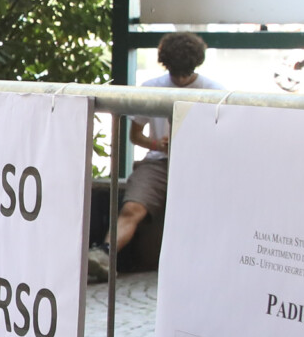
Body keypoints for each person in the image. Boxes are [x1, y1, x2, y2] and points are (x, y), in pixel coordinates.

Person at [92, 31, 222, 279]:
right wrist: (157, 144)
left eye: (185, 73)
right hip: (159, 162)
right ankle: (104, 255)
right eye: (175, 74)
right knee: (133, 207)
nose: (181, 79)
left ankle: (207, 266)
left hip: (199, 163)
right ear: (167, 66)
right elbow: (135, 136)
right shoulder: (153, 87)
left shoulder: (214, 91)